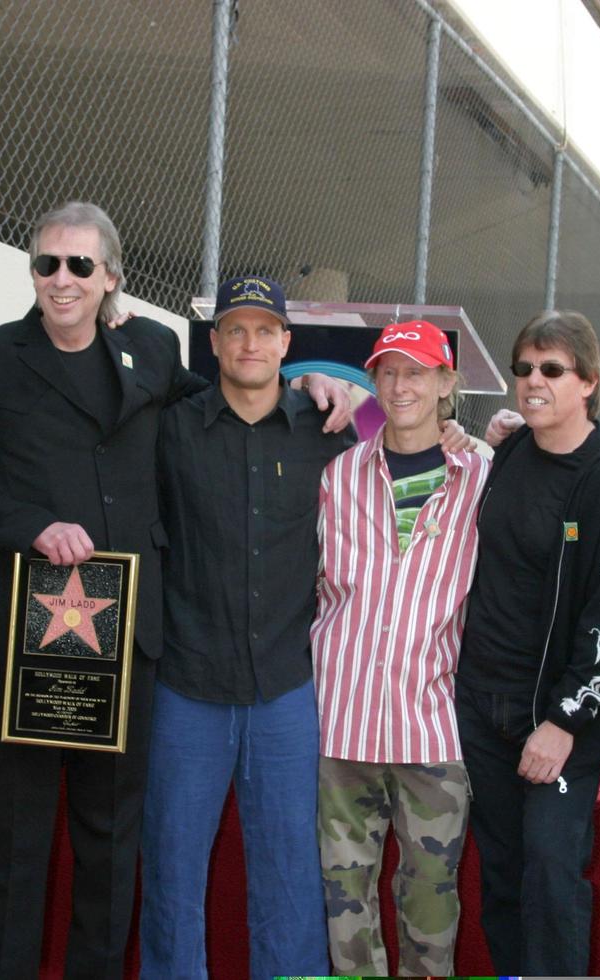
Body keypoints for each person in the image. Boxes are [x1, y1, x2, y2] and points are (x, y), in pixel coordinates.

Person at [0, 202, 349, 980]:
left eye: (80, 265)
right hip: (32, 635)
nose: (63, 279)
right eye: (48, 263)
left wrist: (307, 381)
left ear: (111, 278)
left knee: (111, 847)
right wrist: (31, 526)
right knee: (18, 845)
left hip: (125, 638)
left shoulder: (148, 351)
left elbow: (228, 389)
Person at [140, 275, 353, 979]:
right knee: (172, 869)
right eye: (235, 329)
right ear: (214, 343)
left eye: (265, 330)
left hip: (287, 692)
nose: (250, 342)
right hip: (188, 686)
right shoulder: (173, 429)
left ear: (286, 345)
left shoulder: (329, 435)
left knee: (290, 875)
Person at [457, 309, 600, 976]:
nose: (532, 381)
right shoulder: (509, 449)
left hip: (556, 719)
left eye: (550, 370)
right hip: (483, 704)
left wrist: (564, 721)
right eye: (523, 368)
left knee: (548, 875)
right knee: (504, 874)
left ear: (588, 382)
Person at [312, 320, 488, 976]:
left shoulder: (481, 477)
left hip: (432, 731)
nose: (398, 384)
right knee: (344, 905)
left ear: (446, 383)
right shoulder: (335, 476)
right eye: (387, 370)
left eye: (415, 371)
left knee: (431, 905)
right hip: (343, 723)